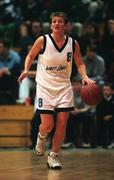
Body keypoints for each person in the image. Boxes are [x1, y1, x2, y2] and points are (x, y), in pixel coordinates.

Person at [18, 12, 95, 169]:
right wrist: (26, 69)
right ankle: (42, 136)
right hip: (45, 87)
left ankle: (53, 157)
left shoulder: (73, 43)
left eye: (60, 21)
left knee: (62, 123)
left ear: (65, 25)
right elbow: (30, 55)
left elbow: (79, 62)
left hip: (64, 87)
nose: (57, 24)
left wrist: (85, 75)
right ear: (51, 25)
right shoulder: (43, 40)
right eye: (54, 21)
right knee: (48, 124)